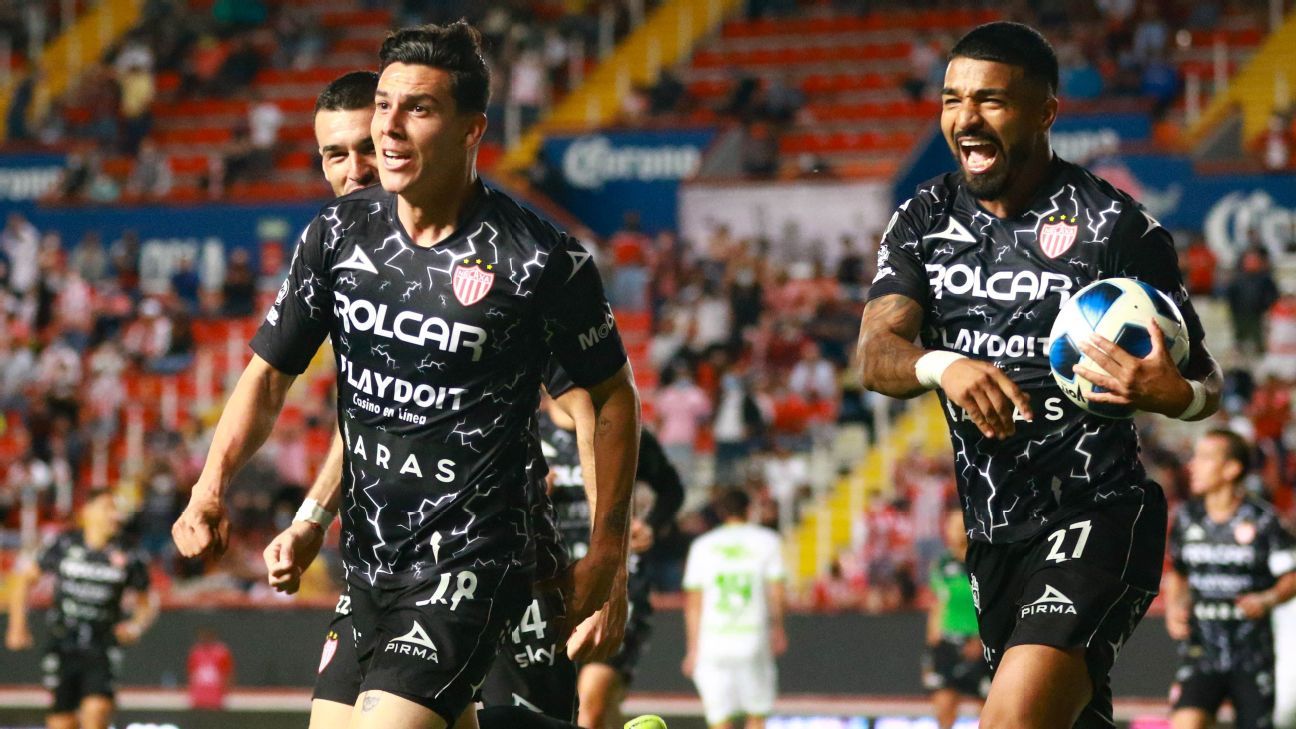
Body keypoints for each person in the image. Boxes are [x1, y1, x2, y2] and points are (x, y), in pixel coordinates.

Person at [171, 21, 641, 729]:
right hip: (369, 562)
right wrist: (211, 490)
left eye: (416, 108)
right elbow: (268, 378)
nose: (387, 128)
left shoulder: (538, 260)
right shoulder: (337, 234)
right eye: (384, 105)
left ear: (471, 129)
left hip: (476, 557)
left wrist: (608, 553)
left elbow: (608, 400)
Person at [856, 21, 1223, 729]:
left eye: (990, 100)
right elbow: (875, 352)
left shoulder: (1115, 227)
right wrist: (943, 364)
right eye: (952, 99)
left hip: (1098, 514)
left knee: (1011, 720)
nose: (965, 118)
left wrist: (1176, 395)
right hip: (994, 534)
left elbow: (1207, 381)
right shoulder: (923, 219)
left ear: (1046, 112)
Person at [486, 363, 683, 729]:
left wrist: (650, 525)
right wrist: (531, 490)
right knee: (568, 707)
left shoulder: (623, 430)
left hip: (613, 577)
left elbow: (672, 489)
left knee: (593, 699)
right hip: (553, 581)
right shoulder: (529, 431)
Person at [1165, 429, 1296, 729]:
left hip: (1251, 656)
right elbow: (1179, 574)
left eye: (1204, 458)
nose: (1193, 465)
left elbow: (1291, 577)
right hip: (1201, 652)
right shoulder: (1187, 518)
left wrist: (1267, 599)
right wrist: (1173, 607)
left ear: (1231, 469)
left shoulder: (1264, 521)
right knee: (1186, 723)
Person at [6, 488, 159, 729]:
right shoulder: (64, 544)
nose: (114, 515)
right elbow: (24, 580)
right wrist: (17, 625)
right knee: (62, 723)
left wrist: (135, 626)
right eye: (107, 507)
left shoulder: (129, 552)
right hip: (63, 642)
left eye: (116, 509)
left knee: (96, 713)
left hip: (102, 645)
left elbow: (147, 600)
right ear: (87, 511)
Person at [681, 488, 786, 729]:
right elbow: (777, 592)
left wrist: (693, 648)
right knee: (756, 715)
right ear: (749, 510)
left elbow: (694, 603)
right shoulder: (768, 541)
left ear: (720, 512)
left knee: (719, 719)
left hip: (712, 642)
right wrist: (779, 628)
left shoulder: (702, 546)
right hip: (753, 637)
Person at [924, 509, 989, 729]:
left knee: (989, 707)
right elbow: (938, 604)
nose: (956, 531)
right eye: (951, 526)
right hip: (948, 643)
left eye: (960, 525)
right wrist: (932, 648)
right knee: (944, 707)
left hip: (979, 644)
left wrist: (981, 639)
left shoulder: (983, 561)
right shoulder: (942, 565)